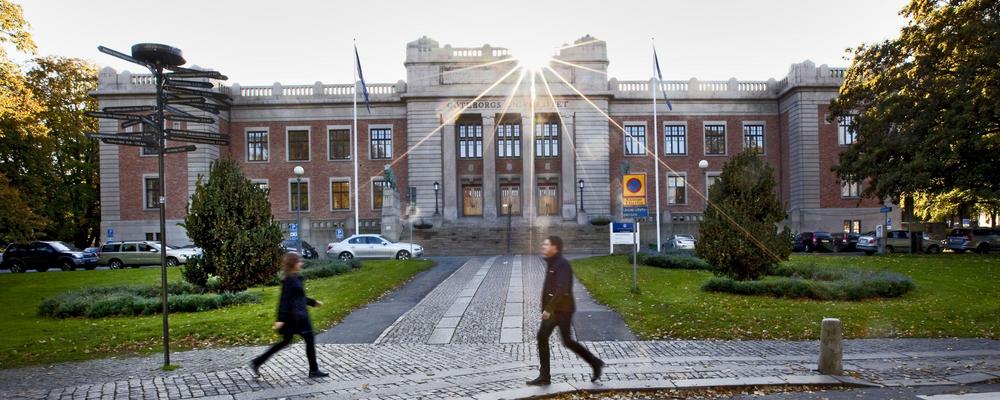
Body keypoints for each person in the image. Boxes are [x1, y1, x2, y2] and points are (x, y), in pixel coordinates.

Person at [527, 236, 604, 386]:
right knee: (562, 340)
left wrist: (549, 309)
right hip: (558, 310)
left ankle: (545, 376)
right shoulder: (553, 262)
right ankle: (594, 363)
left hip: (561, 310)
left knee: (546, 338)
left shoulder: (562, 264)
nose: (543, 246)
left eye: (546, 244)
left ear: (555, 247)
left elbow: (562, 289)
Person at [251, 252, 329, 378]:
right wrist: (280, 319)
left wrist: (313, 302)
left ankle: (257, 362)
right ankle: (313, 370)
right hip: (296, 318)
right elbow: (284, 300)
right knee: (308, 339)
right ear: (293, 264)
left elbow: (300, 297)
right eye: (299, 261)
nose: (301, 263)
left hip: (298, 315)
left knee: (286, 342)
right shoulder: (289, 280)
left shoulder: (296, 277)